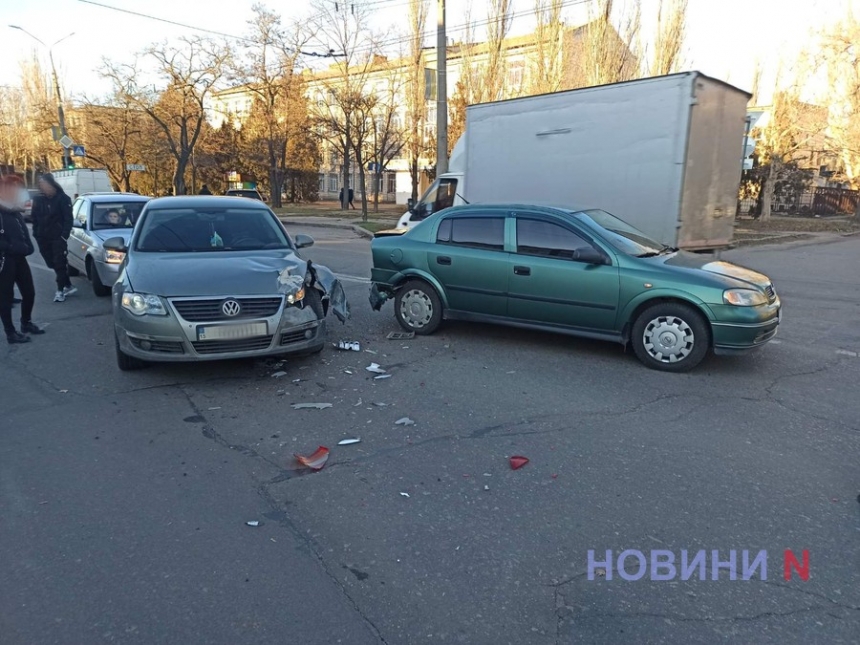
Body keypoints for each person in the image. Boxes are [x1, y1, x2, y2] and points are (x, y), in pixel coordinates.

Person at [0, 175, 44, 343]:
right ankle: (10, 332)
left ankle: (26, 323)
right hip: (5, 260)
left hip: (20, 258)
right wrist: (10, 248)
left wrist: (28, 247)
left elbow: (23, 232)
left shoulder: (14, 210)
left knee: (29, 293)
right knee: (5, 297)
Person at [31, 172, 76, 302]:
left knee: (59, 262)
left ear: (51, 184)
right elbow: (34, 218)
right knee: (51, 263)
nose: (42, 187)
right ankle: (67, 284)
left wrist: (63, 236)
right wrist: (36, 232)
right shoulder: (38, 199)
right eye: (41, 185)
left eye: (44, 184)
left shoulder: (63, 199)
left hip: (58, 237)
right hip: (42, 237)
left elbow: (68, 219)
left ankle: (60, 290)